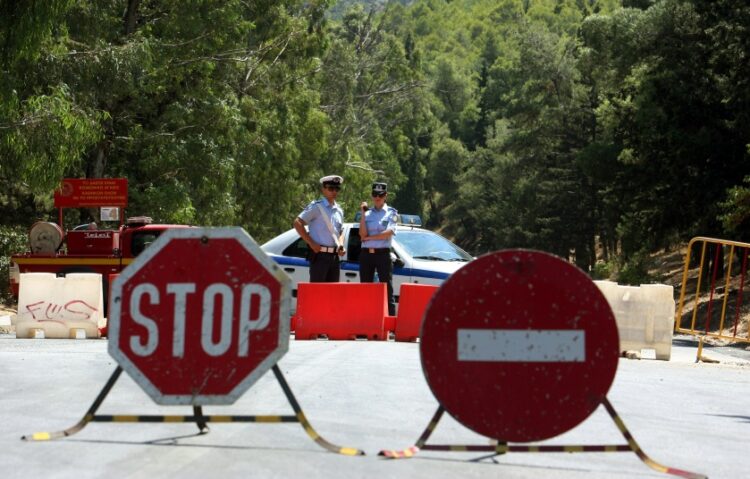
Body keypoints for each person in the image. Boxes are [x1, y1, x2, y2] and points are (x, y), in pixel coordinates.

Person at [293, 175, 346, 282]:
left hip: (334, 257)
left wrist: (341, 245)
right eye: (331, 188)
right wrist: (311, 243)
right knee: (317, 293)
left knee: (332, 294)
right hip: (319, 256)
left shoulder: (339, 210)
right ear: (323, 189)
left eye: (337, 189)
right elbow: (297, 223)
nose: (334, 192)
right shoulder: (316, 207)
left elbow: (340, 231)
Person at [359, 182, 398, 315]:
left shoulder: (391, 212)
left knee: (387, 289)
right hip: (366, 255)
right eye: (375, 195)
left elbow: (389, 233)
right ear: (371, 196)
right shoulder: (367, 213)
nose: (377, 198)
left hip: (382, 254)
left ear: (385, 196)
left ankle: (391, 323)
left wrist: (370, 238)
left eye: (380, 195)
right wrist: (363, 214)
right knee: (365, 289)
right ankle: (365, 323)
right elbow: (362, 234)